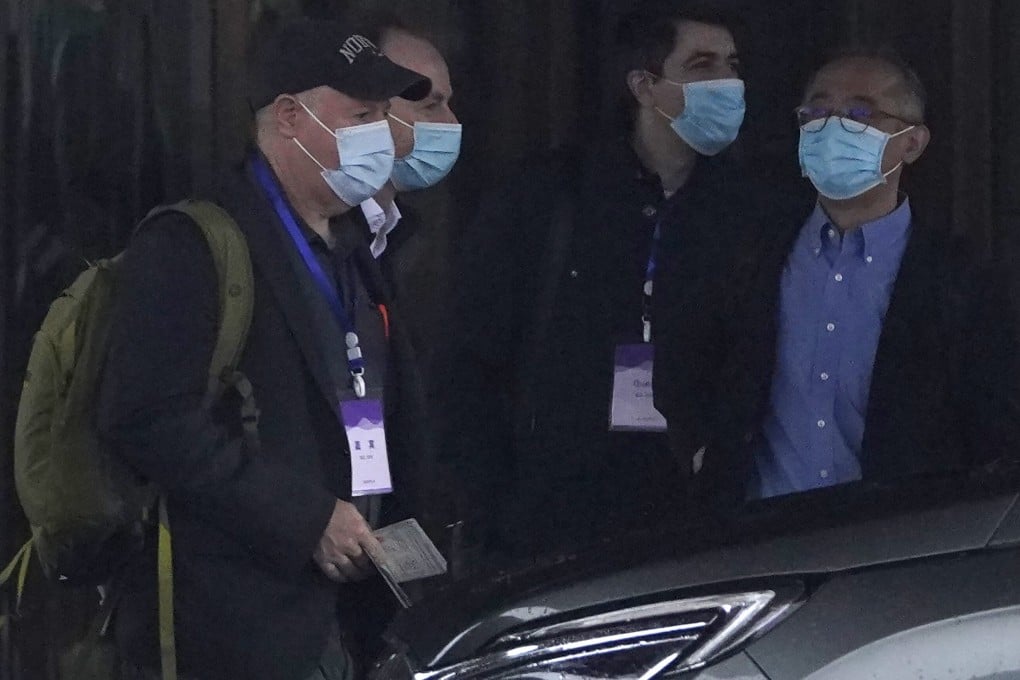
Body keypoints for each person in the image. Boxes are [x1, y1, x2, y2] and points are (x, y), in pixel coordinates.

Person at [97, 19, 431, 680]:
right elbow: (145, 418)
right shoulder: (194, 244)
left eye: (384, 114)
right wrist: (305, 519)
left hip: (352, 619)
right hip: (238, 624)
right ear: (289, 118)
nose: (383, 136)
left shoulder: (354, 247)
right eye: (361, 116)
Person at [433, 1, 755, 565]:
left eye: (732, 65)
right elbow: (471, 358)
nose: (725, 83)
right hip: (550, 514)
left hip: (691, 516)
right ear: (644, 85)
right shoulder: (550, 197)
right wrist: (490, 499)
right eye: (702, 65)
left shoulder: (749, 210)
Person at [665, 46, 1020, 508]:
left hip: (893, 538)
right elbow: (687, 367)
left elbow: (995, 432)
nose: (832, 128)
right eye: (816, 112)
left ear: (912, 143)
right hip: (760, 534)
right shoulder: (751, 256)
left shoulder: (960, 280)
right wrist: (706, 458)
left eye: (859, 113)